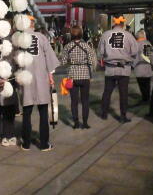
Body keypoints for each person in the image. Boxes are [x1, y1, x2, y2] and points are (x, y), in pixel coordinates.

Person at [20, 19, 60, 151]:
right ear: (32, 25)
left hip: (26, 78)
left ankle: (25, 143)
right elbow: (49, 58)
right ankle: (43, 144)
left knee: (27, 112)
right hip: (41, 78)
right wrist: (50, 76)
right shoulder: (41, 37)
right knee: (43, 112)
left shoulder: (19, 39)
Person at [97, 15, 137, 123]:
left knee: (107, 92)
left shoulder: (105, 35)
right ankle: (123, 116)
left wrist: (102, 61)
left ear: (114, 24)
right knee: (123, 93)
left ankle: (104, 113)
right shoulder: (129, 35)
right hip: (124, 68)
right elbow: (134, 52)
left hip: (110, 68)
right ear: (123, 24)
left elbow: (100, 52)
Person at [61, 25, 97, 129]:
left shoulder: (67, 46)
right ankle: (85, 123)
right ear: (81, 34)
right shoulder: (86, 46)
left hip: (72, 76)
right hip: (85, 75)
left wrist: (71, 61)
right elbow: (91, 61)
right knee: (85, 101)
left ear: (71, 34)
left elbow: (63, 62)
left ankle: (76, 122)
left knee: (74, 101)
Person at [133, 30, 153, 103]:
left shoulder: (136, 44)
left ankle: (145, 98)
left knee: (142, 85)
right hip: (148, 67)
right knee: (147, 84)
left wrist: (133, 64)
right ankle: (147, 98)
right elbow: (150, 56)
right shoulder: (148, 43)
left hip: (139, 67)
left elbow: (134, 57)